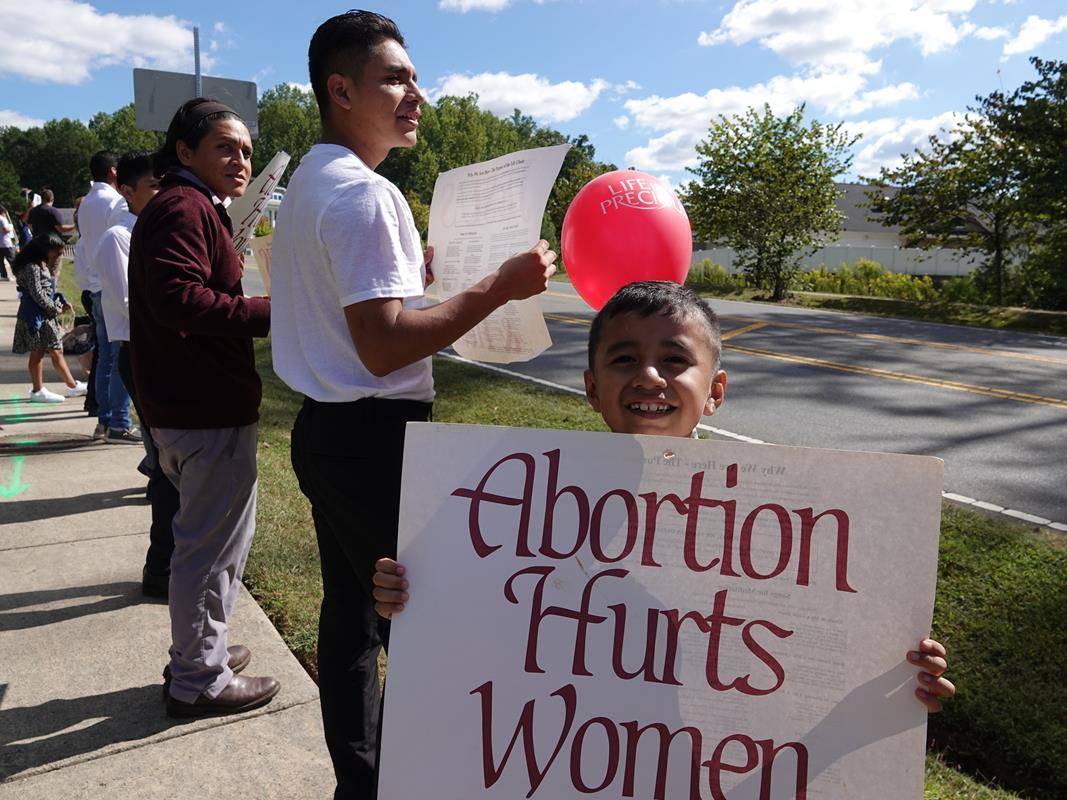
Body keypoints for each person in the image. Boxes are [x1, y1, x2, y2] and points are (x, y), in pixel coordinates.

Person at [374, 281, 957, 717]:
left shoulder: (773, 523)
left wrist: (897, 679)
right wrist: (418, 593)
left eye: (676, 360)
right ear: (591, 387)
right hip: (572, 739)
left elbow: (813, 644)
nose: (649, 375)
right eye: (624, 358)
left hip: (703, 749)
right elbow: (486, 617)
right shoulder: (531, 507)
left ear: (715, 392)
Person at [268, 11, 556, 798]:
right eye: (394, 78)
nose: (415, 94)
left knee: (352, 616)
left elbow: (354, 311)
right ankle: (404, 781)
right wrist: (498, 286)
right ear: (340, 89)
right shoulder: (366, 196)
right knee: (420, 616)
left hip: (325, 431)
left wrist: (418, 272)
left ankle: (361, 781)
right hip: (372, 439)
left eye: (413, 77)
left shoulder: (311, 186)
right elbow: (385, 344)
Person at [128, 97, 277, 718]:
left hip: (190, 407)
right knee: (208, 550)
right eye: (224, 146)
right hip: (202, 412)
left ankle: (200, 649)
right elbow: (178, 300)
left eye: (245, 149)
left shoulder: (190, 206)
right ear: (184, 153)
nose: (239, 159)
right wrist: (273, 311)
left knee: (212, 545)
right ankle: (197, 679)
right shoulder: (183, 207)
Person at [93, 149, 178, 597]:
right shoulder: (119, 239)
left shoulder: (155, 230)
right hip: (142, 353)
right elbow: (134, 307)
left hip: (163, 352)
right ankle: (160, 568)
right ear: (125, 191)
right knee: (167, 467)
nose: (165, 194)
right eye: (154, 187)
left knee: (174, 465)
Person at [78, 151, 138, 443]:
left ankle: (104, 420)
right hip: (113, 282)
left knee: (104, 358)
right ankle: (119, 422)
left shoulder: (87, 202)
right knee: (119, 358)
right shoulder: (115, 201)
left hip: (95, 284)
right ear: (114, 172)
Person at [10, 232, 88, 402]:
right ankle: (38, 391)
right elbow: (37, 294)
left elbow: (45, 290)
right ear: (45, 249)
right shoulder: (31, 267)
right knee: (37, 353)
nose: (59, 256)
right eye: (57, 252)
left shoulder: (39, 264)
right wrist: (55, 309)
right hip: (35, 317)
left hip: (44, 315)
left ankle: (73, 386)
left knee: (56, 350)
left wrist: (60, 300)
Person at [0, 203, 15, 280]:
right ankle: (17, 274)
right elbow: (5, 229)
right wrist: (11, 228)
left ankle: (3, 275)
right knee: (12, 259)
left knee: (1, 261)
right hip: (6, 243)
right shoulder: (3, 219)